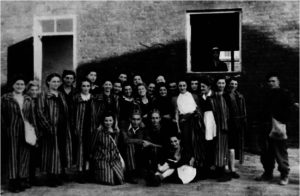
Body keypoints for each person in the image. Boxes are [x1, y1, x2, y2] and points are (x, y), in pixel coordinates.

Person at [255, 72, 299, 185]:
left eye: (273, 81)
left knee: (280, 153)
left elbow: (291, 110)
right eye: (269, 81)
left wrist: (278, 118)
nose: (271, 83)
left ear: (278, 82)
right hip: (266, 128)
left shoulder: (285, 94)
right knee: (266, 153)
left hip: (279, 128)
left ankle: (284, 175)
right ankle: (267, 173)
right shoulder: (266, 95)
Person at [0, 75, 37, 193]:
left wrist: (34, 130)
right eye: (17, 84)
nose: (20, 86)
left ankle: (22, 180)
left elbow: (32, 116)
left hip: (25, 131)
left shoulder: (28, 99)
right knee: (12, 156)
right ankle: (13, 182)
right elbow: (0, 114)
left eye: (22, 84)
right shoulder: (5, 98)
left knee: (24, 156)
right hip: (11, 131)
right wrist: (5, 127)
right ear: (12, 85)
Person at [36, 73, 72, 187]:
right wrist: (47, 127)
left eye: (58, 81)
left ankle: (58, 175)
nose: (56, 83)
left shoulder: (61, 94)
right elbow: (40, 113)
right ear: (48, 82)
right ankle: (50, 178)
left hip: (62, 128)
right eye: (53, 81)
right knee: (51, 153)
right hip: (51, 129)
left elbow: (64, 111)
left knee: (60, 151)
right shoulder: (43, 95)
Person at [172, 78, 206, 174]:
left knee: (196, 141)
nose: (182, 87)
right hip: (183, 122)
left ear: (187, 86)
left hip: (194, 120)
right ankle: (186, 163)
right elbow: (176, 114)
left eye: (184, 85)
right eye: (180, 86)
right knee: (186, 142)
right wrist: (178, 127)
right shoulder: (175, 98)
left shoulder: (193, 95)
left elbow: (198, 109)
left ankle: (198, 165)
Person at [205, 75, 231, 182]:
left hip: (224, 126)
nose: (221, 85)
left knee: (222, 148)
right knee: (216, 148)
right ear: (216, 84)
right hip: (215, 124)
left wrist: (225, 125)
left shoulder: (227, 96)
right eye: (219, 83)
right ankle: (218, 170)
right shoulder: (213, 96)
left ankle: (225, 172)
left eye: (223, 83)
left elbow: (228, 111)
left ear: (225, 84)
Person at [71, 79, 96, 183]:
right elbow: (72, 113)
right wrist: (74, 127)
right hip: (80, 126)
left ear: (90, 87)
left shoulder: (93, 98)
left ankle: (87, 171)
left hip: (90, 126)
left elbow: (97, 113)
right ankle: (80, 172)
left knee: (89, 149)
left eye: (87, 86)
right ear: (80, 87)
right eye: (84, 86)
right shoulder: (76, 98)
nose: (86, 88)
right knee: (80, 150)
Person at [91, 112, 125, 185]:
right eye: (106, 120)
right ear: (103, 121)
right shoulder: (98, 132)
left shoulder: (116, 132)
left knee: (119, 179)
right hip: (102, 159)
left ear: (113, 121)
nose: (108, 123)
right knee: (109, 180)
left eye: (110, 120)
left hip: (114, 159)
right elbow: (92, 146)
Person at [120, 110, 153, 184]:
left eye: (138, 119)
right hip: (124, 150)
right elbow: (125, 140)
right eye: (133, 119)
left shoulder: (143, 127)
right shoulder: (124, 124)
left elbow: (148, 140)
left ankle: (148, 170)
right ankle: (130, 174)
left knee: (146, 148)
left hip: (138, 150)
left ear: (141, 119)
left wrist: (143, 142)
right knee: (130, 146)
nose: (135, 122)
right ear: (130, 119)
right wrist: (140, 141)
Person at [223, 77, 247, 179]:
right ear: (228, 84)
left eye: (235, 84)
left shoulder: (239, 96)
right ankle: (227, 168)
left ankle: (232, 168)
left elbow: (243, 110)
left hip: (236, 124)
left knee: (232, 147)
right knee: (226, 147)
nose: (233, 86)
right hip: (226, 123)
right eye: (232, 84)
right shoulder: (224, 95)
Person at [58, 70, 77, 167]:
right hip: (60, 121)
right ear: (63, 79)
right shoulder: (58, 90)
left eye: (71, 78)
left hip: (72, 121)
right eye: (67, 78)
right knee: (60, 144)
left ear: (74, 80)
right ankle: (60, 170)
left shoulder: (76, 92)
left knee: (70, 145)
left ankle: (67, 167)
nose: (69, 80)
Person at [26, 81, 43, 186]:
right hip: (29, 130)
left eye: (36, 90)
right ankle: (28, 177)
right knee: (29, 155)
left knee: (34, 155)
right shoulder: (27, 101)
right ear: (28, 90)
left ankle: (33, 176)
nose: (34, 92)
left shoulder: (39, 101)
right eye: (32, 90)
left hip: (38, 130)